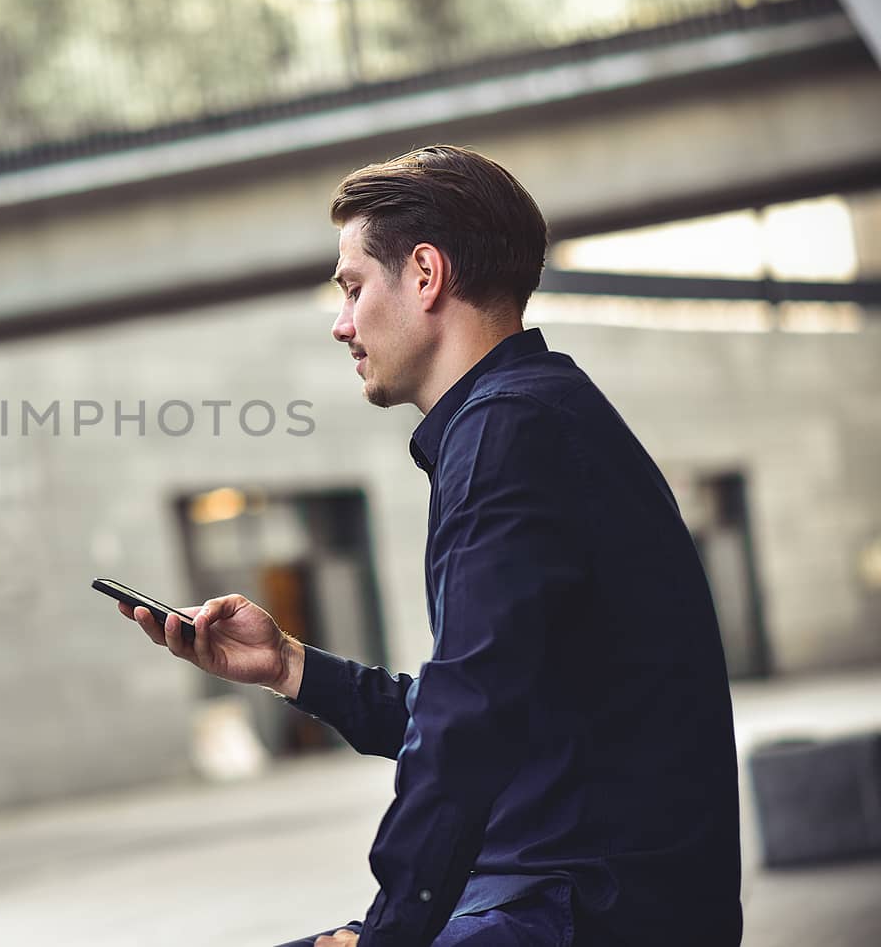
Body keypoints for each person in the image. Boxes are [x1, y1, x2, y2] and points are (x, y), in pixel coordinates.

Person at [120, 146, 742, 947]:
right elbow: (499, 703)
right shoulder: (538, 415)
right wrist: (289, 667)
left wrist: (389, 936)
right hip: (571, 897)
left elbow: (467, 723)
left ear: (424, 274)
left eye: (351, 288)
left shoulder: (507, 430)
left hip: (579, 910)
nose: (341, 324)